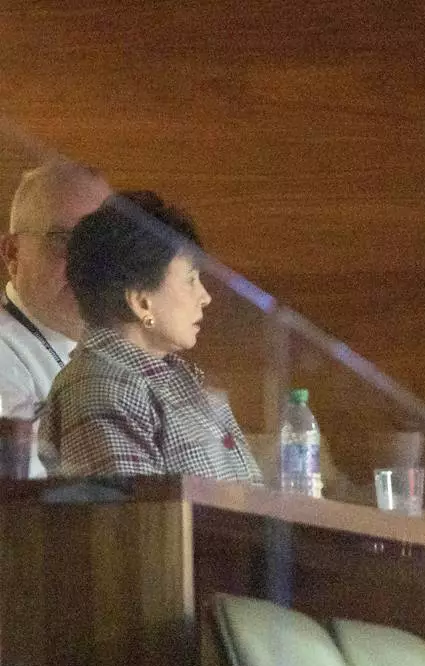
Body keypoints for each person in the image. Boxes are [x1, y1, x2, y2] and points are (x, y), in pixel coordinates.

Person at [38, 190, 261, 483]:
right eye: (191, 279)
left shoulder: (174, 378)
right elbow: (137, 520)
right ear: (142, 302)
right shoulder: (101, 387)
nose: (205, 297)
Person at [0, 161, 111, 475]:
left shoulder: (118, 353)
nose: (86, 264)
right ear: (12, 253)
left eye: (100, 245)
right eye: (64, 240)